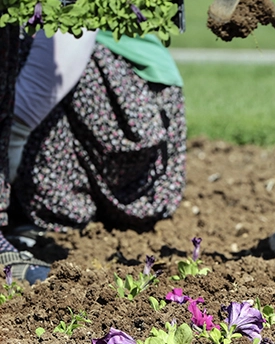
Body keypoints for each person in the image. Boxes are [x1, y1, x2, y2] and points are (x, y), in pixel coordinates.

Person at [0, 29, 187, 284]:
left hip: (131, 106)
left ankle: (54, 211)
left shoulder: (62, 3)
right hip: (126, 138)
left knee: (18, 50)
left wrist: (10, 144)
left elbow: (59, 58)